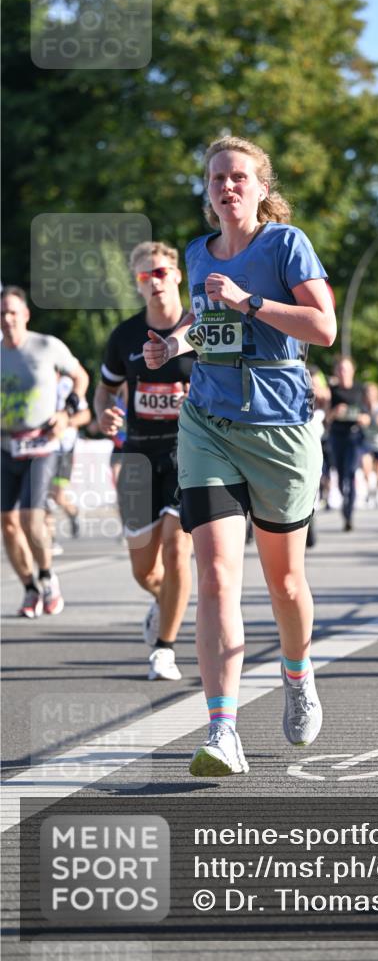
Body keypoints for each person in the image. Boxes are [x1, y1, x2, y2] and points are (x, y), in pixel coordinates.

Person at [143, 135, 336, 776]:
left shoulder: (286, 245)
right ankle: (222, 730)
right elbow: (210, 327)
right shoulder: (198, 254)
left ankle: (298, 672)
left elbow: (323, 328)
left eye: (239, 177)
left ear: (260, 188)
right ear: (207, 190)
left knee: (284, 581)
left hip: (279, 430)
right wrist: (174, 348)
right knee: (218, 575)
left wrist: (249, 300)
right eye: (217, 178)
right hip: (209, 424)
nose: (227, 186)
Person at [95, 241, 195, 681]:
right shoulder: (124, 337)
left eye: (160, 273)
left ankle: (164, 648)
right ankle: (165, 602)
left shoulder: (201, 330)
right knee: (145, 570)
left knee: (178, 553)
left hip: (189, 453)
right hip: (137, 456)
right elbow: (105, 390)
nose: (154, 282)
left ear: (176, 276)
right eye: (144, 277)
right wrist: (104, 412)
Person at [1, 286, 89, 616]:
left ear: (25, 315)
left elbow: (80, 376)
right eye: (2, 314)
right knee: (7, 524)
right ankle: (29, 588)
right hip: (6, 444)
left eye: (13, 312)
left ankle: (48, 577)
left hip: (42, 444)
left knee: (30, 517)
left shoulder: (46, 346)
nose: (7, 319)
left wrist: (67, 411)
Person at [46, 374, 91, 553]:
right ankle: (50, 541)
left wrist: (67, 421)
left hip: (64, 449)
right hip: (42, 448)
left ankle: (73, 512)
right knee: (41, 496)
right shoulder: (35, 380)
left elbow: (86, 415)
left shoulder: (68, 385)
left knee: (57, 496)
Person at [326, 356, 371, 531]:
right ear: (336, 372)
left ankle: (349, 512)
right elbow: (326, 418)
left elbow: (368, 416)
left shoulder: (360, 389)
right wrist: (335, 412)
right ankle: (344, 502)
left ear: (353, 371)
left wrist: (362, 418)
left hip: (354, 436)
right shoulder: (333, 390)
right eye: (340, 370)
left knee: (351, 473)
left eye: (346, 369)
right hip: (337, 436)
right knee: (340, 474)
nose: (343, 373)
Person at [361, 381, 378, 507]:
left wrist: (372, 412)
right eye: (367, 393)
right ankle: (369, 489)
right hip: (367, 442)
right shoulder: (362, 407)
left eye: (372, 393)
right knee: (366, 465)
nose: (369, 395)